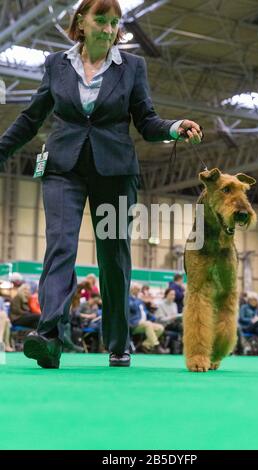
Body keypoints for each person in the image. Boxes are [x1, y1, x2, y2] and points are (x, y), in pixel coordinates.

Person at [0, 0, 202, 369]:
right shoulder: (56, 65)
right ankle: (48, 337)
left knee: (114, 257)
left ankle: (118, 342)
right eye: (101, 20)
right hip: (64, 168)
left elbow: (146, 119)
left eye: (114, 23)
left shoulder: (132, 68)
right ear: (81, 21)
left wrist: (175, 127)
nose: (109, 29)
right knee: (60, 246)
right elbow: (31, 118)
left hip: (115, 172)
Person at [129, 285, 168, 354]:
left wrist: (154, 318)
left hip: (145, 323)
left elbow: (146, 312)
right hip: (134, 324)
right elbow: (132, 307)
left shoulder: (139, 300)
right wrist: (139, 299)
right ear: (131, 290)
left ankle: (144, 345)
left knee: (160, 328)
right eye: (136, 289)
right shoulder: (128, 299)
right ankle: (156, 346)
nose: (138, 290)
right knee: (148, 324)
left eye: (139, 289)